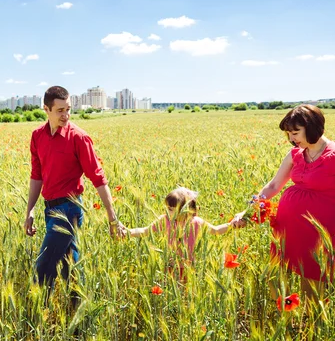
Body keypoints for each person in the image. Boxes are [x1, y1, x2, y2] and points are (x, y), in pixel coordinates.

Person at [233, 104, 335, 298]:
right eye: (289, 134)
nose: (291, 139)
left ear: (312, 128)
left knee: (313, 286)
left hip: (318, 231)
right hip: (286, 227)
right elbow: (273, 186)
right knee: (275, 276)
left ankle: (311, 325)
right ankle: (283, 319)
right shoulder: (295, 154)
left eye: (295, 133)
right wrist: (247, 210)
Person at [24, 85, 127, 298]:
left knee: (43, 267)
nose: (66, 115)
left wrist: (112, 219)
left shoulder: (79, 138)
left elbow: (98, 178)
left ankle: (36, 316)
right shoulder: (37, 137)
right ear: (46, 109)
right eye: (60, 110)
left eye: (68, 109)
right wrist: (30, 211)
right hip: (49, 209)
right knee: (70, 267)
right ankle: (79, 321)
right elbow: (37, 176)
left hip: (70, 209)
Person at [129, 187, 241, 278]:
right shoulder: (164, 220)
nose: (167, 211)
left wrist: (231, 225)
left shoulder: (196, 222)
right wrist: (129, 231)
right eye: (167, 208)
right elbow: (145, 231)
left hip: (189, 267)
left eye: (171, 209)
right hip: (170, 265)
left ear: (184, 209)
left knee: (185, 296)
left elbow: (216, 230)